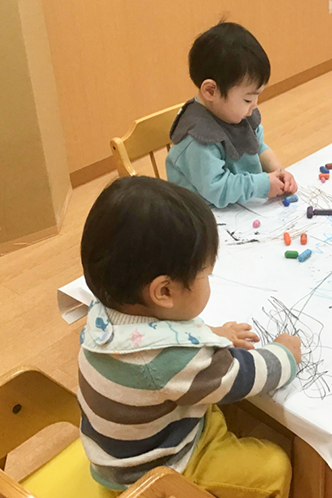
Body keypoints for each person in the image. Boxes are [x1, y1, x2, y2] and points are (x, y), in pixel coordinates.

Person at [78, 176, 301, 497]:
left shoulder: (104, 315)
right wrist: (284, 355)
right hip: (160, 475)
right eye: (205, 274)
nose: (209, 280)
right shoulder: (170, 360)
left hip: (116, 458)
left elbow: (160, 340)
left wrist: (211, 334)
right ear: (164, 292)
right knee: (273, 467)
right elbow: (238, 376)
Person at [166, 22, 297, 208]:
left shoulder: (236, 113)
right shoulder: (197, 138)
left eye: (257, 97)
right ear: (211, 91)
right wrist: (261, 185)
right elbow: (217, 188)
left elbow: (258, 147)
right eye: (247, 99)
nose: (254, 106)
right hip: (202, 214)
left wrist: (279, 171)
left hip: (237, 207)